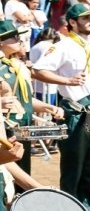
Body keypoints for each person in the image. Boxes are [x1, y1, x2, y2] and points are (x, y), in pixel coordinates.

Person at [32, 3, 90, 211]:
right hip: (74, 112)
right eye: (85, 17)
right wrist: (66, 80)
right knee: (74, 168)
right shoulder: (63, 46)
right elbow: (38, 69)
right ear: (72, 23)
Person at [0, 20, 64, 175]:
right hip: (5, 131)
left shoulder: (17, 66)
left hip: (23, 129)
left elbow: (26, 100)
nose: (19, 40)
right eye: (13, 37)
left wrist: (50, 107)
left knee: (23, 174)